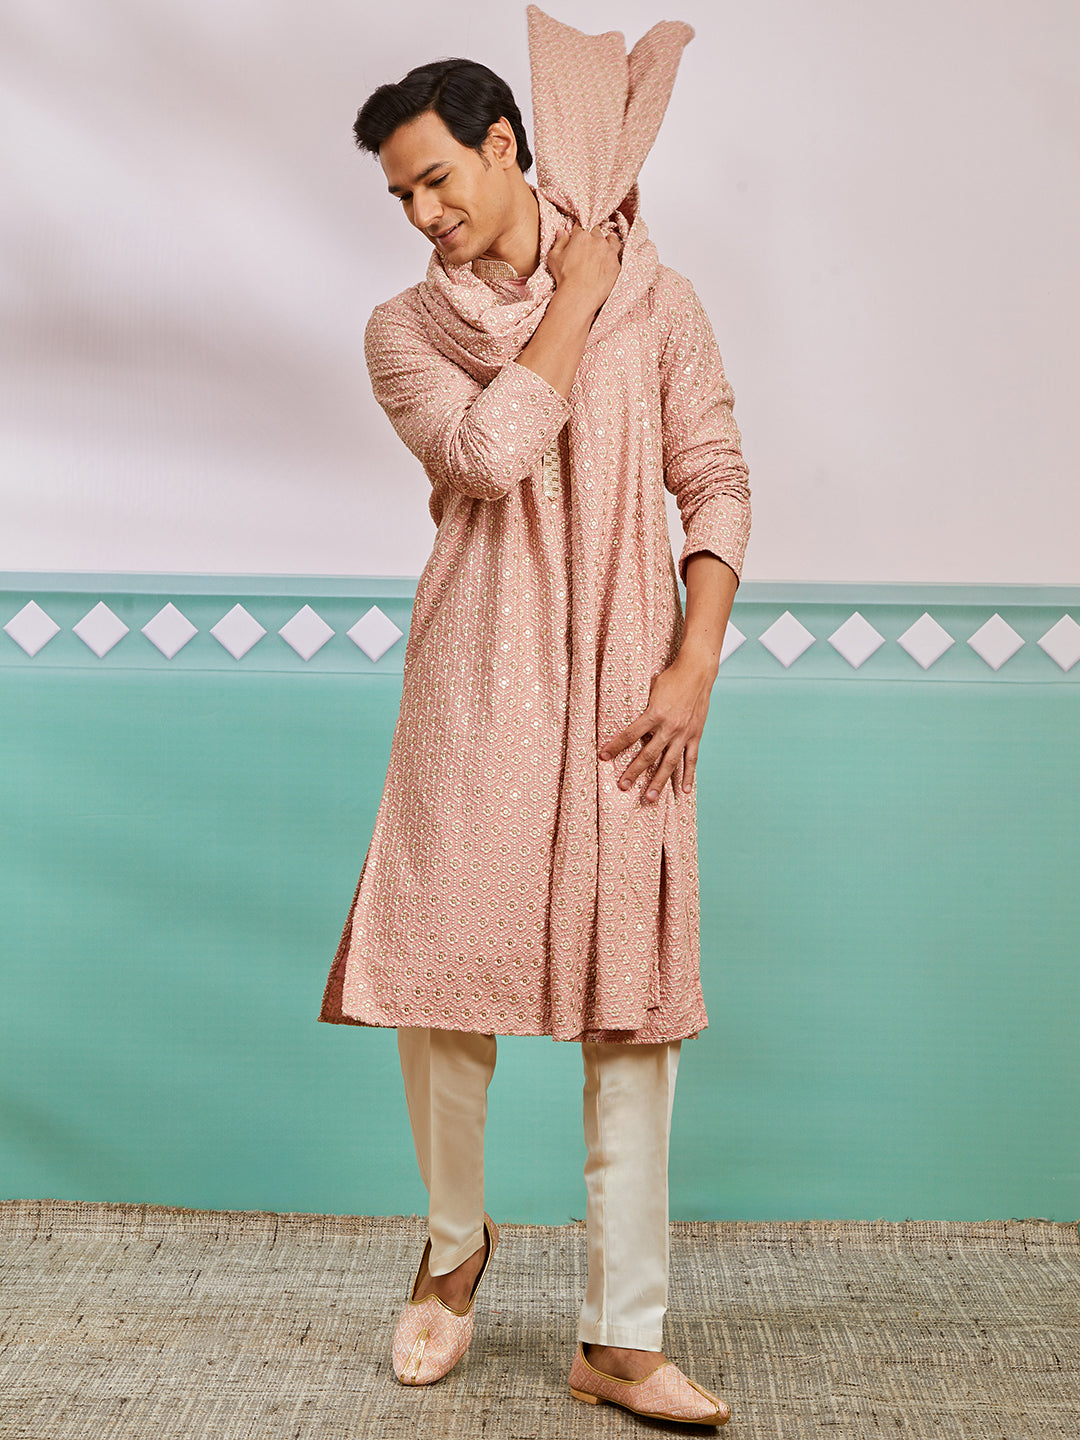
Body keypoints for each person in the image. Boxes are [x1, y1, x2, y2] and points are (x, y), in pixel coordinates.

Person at [319, 8, 750, 1427]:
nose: (422, 214)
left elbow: (716, 478)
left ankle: (621, 1338)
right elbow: (491, 454)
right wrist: (574, 296)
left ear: (505, 144)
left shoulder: (661, 300)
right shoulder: (403, 331)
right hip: (476, 682)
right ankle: (454, 1252)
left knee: (632, 1012)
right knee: (445, 987)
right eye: (401, 195)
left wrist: (694, 664)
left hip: (631, 684)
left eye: (437, 178)